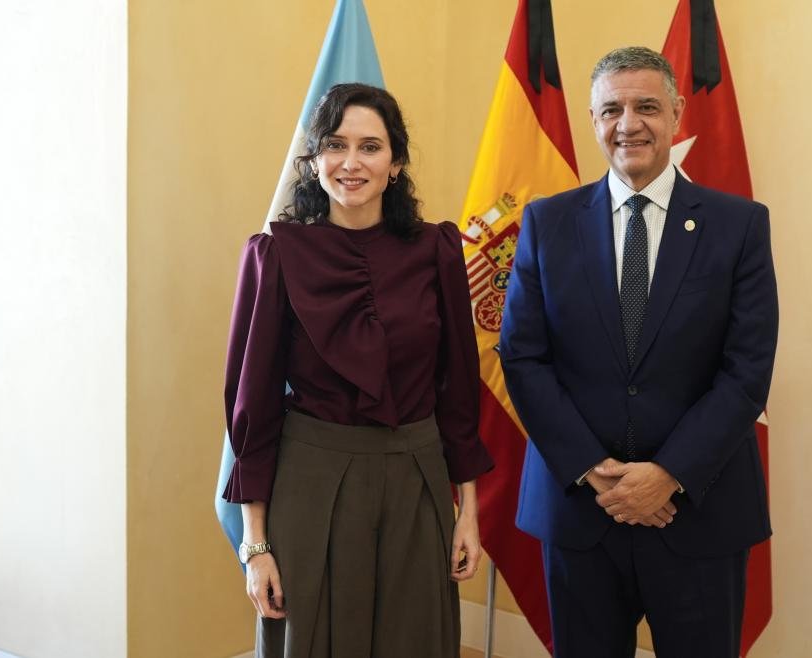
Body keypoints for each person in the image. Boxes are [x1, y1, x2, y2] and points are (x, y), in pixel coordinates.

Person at [500, 47, 778, 658]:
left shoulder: (739, 225)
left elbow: (747, 368)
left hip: (697, 514)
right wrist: (596, 470)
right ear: (593, 120)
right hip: (580, 511)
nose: (628, 124)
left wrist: (668, 475)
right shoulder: (547, 223)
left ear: (677, 113)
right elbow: (522, 357)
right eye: (611, 109)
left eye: (647, 106)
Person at [221, 83, 494, 658]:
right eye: (336, 145)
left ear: (395, 163)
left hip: (417, 480)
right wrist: (256, 544)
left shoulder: (438, 250)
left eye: (370, 146)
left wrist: (468, 513)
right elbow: (253, 406)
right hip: (309, 483)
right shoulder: (274, 256)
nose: (351, 162)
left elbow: (459, 392)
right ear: (315, 158)